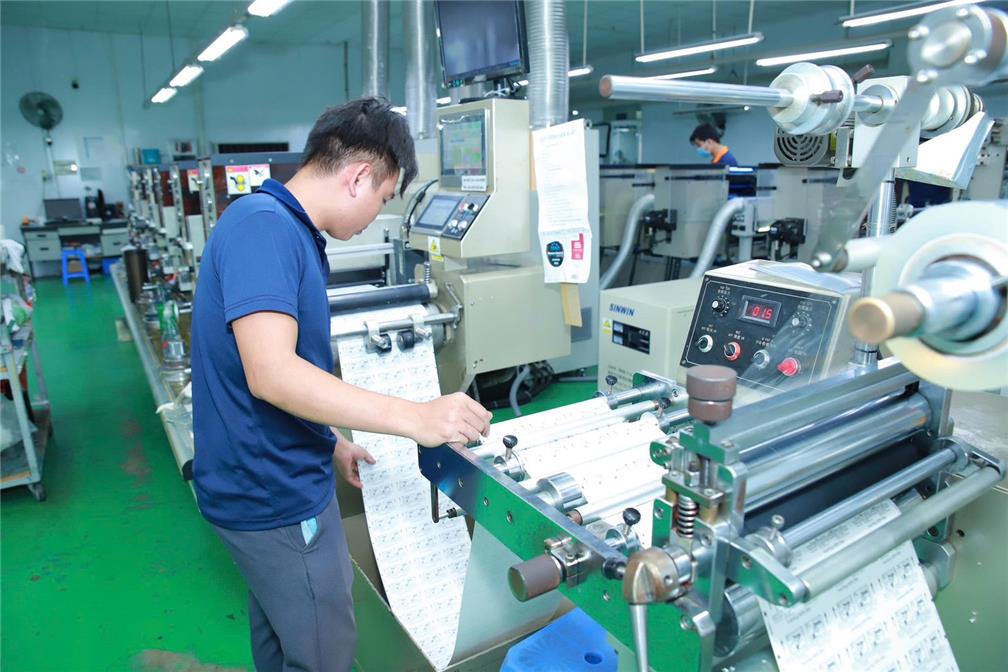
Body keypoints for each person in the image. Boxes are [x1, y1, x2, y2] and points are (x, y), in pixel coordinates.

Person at [190, 97, 492, 672]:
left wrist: (332, 442)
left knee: (283, 637)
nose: (376, 213)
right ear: (358, 176)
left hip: (265, 482)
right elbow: (271, 374)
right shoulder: (265, 230)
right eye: (382, 199)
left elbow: (272, 369)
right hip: (274, 497)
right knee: (325, 656)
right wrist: (418, 417)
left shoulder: (281, 227)